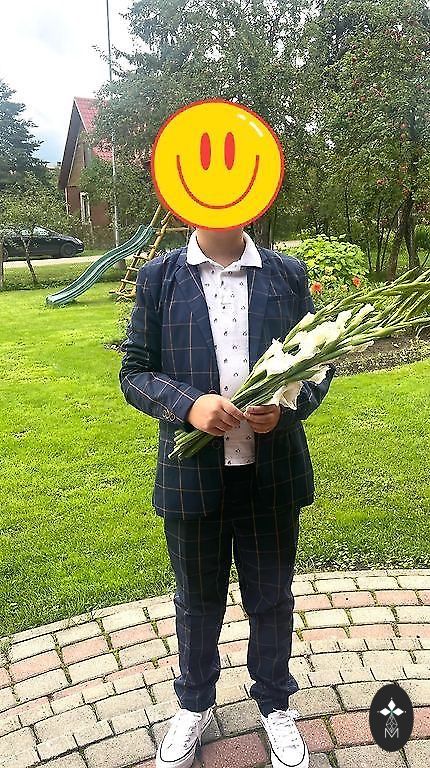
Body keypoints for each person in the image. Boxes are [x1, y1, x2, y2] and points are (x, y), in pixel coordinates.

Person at [118, 224, 336, 768]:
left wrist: (287, 408)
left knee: (271, 598)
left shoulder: (286, 275)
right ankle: (194, 704)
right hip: (193, 479)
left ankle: (275, 704)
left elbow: (318, 363)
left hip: (270, 477)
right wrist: (189, 406)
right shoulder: (160, 278)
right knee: (197, 601)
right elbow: (135, 372)